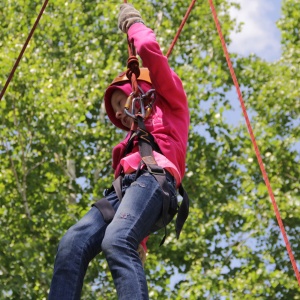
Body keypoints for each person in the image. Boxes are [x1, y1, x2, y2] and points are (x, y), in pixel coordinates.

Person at [48, 3, 189, 300]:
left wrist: (133, 25)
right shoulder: (127, 149)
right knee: (72, 243)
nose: (119, 114)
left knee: (117, 240)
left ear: (139, 90)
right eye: (114, 111)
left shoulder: (170, 103)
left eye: (120, 102)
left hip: (155, 177)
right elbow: (134, 208)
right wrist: (144, 241)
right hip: (125, 188)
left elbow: (149, 47)